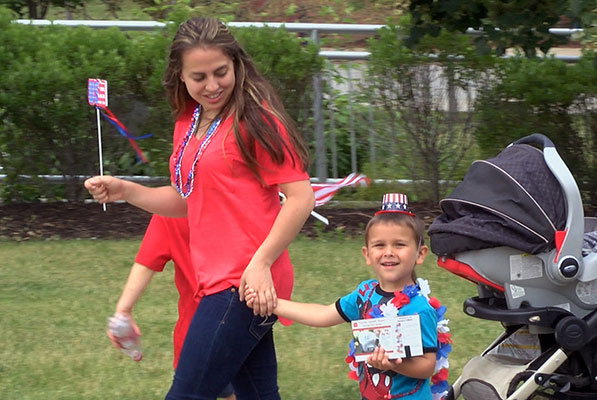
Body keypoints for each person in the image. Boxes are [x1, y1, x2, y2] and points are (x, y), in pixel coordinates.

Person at [84, 16, 314, 400]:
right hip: (223, 281)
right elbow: (186, 201)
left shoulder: (257, 121)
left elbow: (301, 197)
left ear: (237, 65)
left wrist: (259, 264)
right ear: (180, 76)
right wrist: (126, 189)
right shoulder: (188, 123)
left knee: (187, 394)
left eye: (221, 72)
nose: (212, 86)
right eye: (199, 77)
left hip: (244, 284)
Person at [246, 193, 441, 400]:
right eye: (379, 245)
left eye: (400, 245)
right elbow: (323, 314)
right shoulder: (365, 294)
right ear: (366, 254)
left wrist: (392, 364)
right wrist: (273, 304)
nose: (389, 252)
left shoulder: (418, 308)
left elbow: (427, 366)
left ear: (420, 254)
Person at [107, 214, 235, 400]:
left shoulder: (173, 211)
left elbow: (146, 262)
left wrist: (123, 311)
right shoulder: (243, 200)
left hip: (201, 332)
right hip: (246, 321)